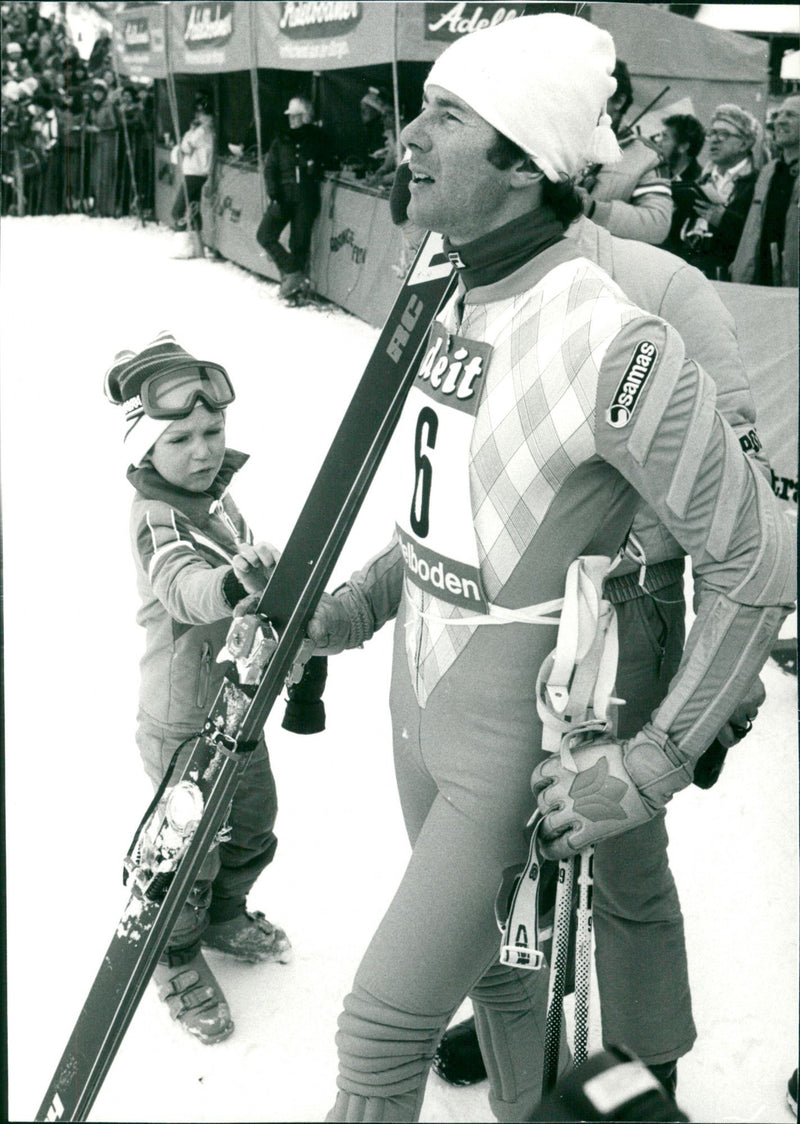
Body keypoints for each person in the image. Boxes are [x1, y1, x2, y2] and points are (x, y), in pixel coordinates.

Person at [304, 15, 794, 1122]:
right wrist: (353, 605)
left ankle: (640, 1067)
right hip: (437, 680)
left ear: (533, 160)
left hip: (586, 661)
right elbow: (460, 510)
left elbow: (752, 529)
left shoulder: (637, 303)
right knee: (500, 961)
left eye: (446, 113)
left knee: (403, 1014)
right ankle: (544, 1101)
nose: (408, 135)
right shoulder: (447, 280)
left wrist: (659, 743)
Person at [103, 332, 327, 1043]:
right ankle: (172, 948)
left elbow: (248, 574)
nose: (203, 450)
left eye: (213, 429)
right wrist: (233, 583)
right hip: (182, 725)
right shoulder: (156, 516)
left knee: (254, 827)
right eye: (181, 438)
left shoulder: (216, 500)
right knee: (189, 854)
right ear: (146, 451)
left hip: (239, 710)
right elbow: (185, 586)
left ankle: (224, 914)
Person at [578, 60, 673, 245]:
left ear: (619, 101)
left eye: (593, 93)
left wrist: (592, 208)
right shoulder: (561, 143)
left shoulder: (648, 157)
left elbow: (658, 224)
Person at [255, 95, 334, 299]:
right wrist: (273, 191)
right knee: (265, 234)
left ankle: (294, 288)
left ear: (305, 116)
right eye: (290, 116)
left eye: (296, 116)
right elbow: (270, 167)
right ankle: (294, 274)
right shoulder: (281, 139)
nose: (292, 120)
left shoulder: (317, 138)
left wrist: (316, 166)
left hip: (306, 198)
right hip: (283, 196)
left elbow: (329, 161)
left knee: (299, 243)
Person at [679, 103, 761, 280]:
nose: (714, 139)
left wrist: (724, 220)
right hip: (693, 277)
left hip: (732, 283)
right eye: (712, 133)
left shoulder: (758, 183)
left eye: (723, 134)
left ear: (745, 143)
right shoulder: (701, 180)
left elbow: (759, 237)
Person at [731, 94, 799, 287]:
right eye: (779, 114)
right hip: (761, 281)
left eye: (791, 115)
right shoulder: (769, 172)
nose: (780, 121)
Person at [171, 91, 215, 259]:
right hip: (197, 173)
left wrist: (189, 132)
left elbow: (185, 147)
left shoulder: (202, 131)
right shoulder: (207, 131)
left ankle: (184, 247)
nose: (200, 117)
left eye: (203, 114)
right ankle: (198, 248)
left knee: (178, 210)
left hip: (193, 173)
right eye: (199, 113)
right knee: (194, 210)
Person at [657, 113, 706, 256]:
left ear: (683, 146)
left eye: (665, 137)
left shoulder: (700, 184)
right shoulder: (657, 174)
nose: (659, 142)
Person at [85, 76, 118, 217]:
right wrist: (87, 127)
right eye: (95, 92)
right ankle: (98, 205)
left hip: (107, 142)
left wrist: (99, 128)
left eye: (99, 92)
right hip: (95, 143)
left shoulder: (108, 106)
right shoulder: (92, 107)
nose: (97, 95)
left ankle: (106, 208)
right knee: (95, 175)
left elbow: (115, 124)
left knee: (105, 174)